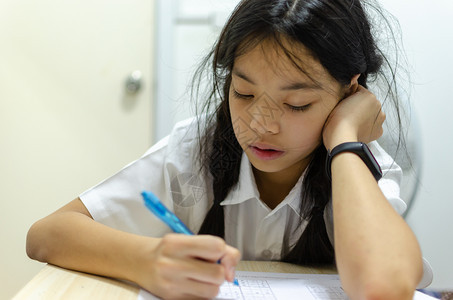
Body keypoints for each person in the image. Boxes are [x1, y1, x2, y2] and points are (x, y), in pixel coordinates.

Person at [27, 0, 430, 299]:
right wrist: (147, 260)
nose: (260, 123)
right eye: (243, 92)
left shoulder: (358, 165)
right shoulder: (198, 151)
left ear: (350, 92)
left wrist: (344, 139)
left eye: (297, 104)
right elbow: (46, 235)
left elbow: (385, 285)